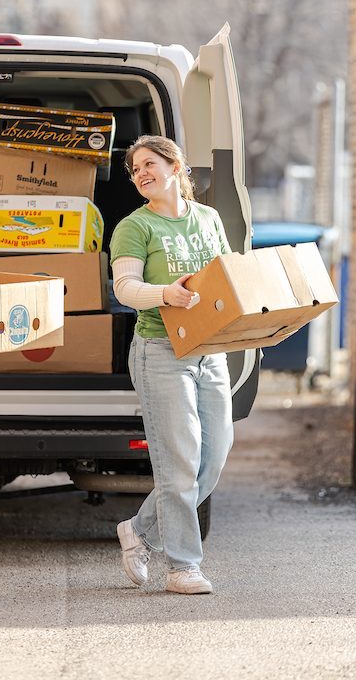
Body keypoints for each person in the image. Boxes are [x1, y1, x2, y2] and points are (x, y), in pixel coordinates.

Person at [108, 134, 234, 595]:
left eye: (148, 164)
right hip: (160, 350)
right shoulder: (134, 227)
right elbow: (124, 288)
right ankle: (183, 566)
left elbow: (225, 274)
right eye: (135, 169)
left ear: (175, 166)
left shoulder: (208, 218)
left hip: (209, 350)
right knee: (180, 463)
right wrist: (166, 293)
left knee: (213, 459)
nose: (141, 173)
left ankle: (138, 530)